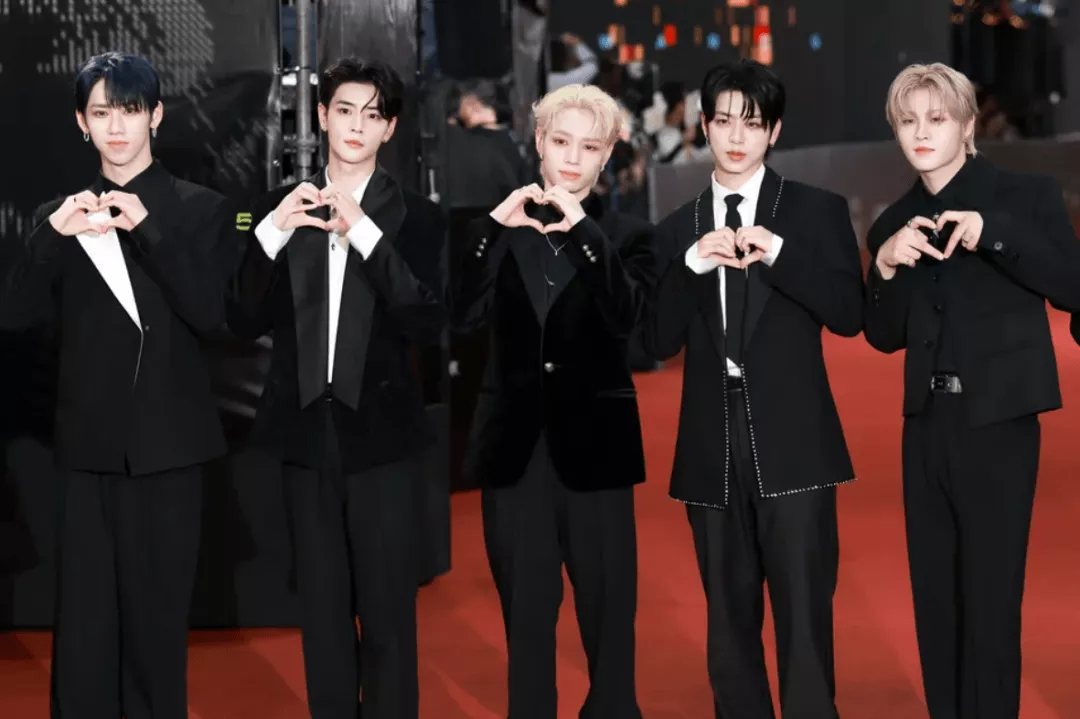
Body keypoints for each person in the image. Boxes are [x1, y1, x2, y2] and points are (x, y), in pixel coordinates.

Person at [0, 52, 236, 719]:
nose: (116, 127)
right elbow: (13, 315)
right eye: (101, 112)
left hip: (170, 453)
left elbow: (214, 316)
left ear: (155, 116)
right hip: (85, 455)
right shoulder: (61, 216)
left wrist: (150, 231)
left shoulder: (202, 210)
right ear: (81, 122)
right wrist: (50, 238)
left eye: (129, 110)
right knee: (83, 635)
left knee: (157, 636)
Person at [643, 59, 863, 718]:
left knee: (805, 613)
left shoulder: (815, 211)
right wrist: (690, 265)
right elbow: (655, 340)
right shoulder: (675, 228)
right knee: (728, 622)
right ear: (704, 125)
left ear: (775, 131)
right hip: (710, 442)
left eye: (753, 123)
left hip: (795, 438)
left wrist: (781, 254)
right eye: (724, 121)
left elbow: (848, 314)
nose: (737, 137)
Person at [227, 57, 443, 719]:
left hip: (382, 442)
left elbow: (425, 321)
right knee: (320, 619)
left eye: (372, 115)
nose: (356, 125)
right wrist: (272, 232)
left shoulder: (417, 217)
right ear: (321, 116)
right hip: (302, 442)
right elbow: (239, 319)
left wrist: (366, 235)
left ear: (390, 128)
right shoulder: (278, 209)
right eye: (344, 110)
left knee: (387, 617)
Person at [864, 63, 1080, 719]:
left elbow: (1071, 286)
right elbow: (883, 335)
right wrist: (885, 265)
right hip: (925, 426)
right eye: (908, 121)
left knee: (991, 601)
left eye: (936, 119)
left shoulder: (1024, 197)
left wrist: (993, 234)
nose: (921, 133)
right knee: (935, 602)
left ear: (967, 125)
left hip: (999, 426)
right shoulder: (894, 220)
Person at [452, 83, 655, 719]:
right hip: (513, 454)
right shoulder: (496, 230)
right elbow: (459, 317)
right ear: (538, 142)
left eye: (589, 147)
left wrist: (585, 234)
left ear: (608, 154)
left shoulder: (627, 236)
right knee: (526, 625)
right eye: (561, 141)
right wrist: (492, 229)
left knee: (609, 622)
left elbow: (633, 323)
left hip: (597, 453)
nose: (572, 157)